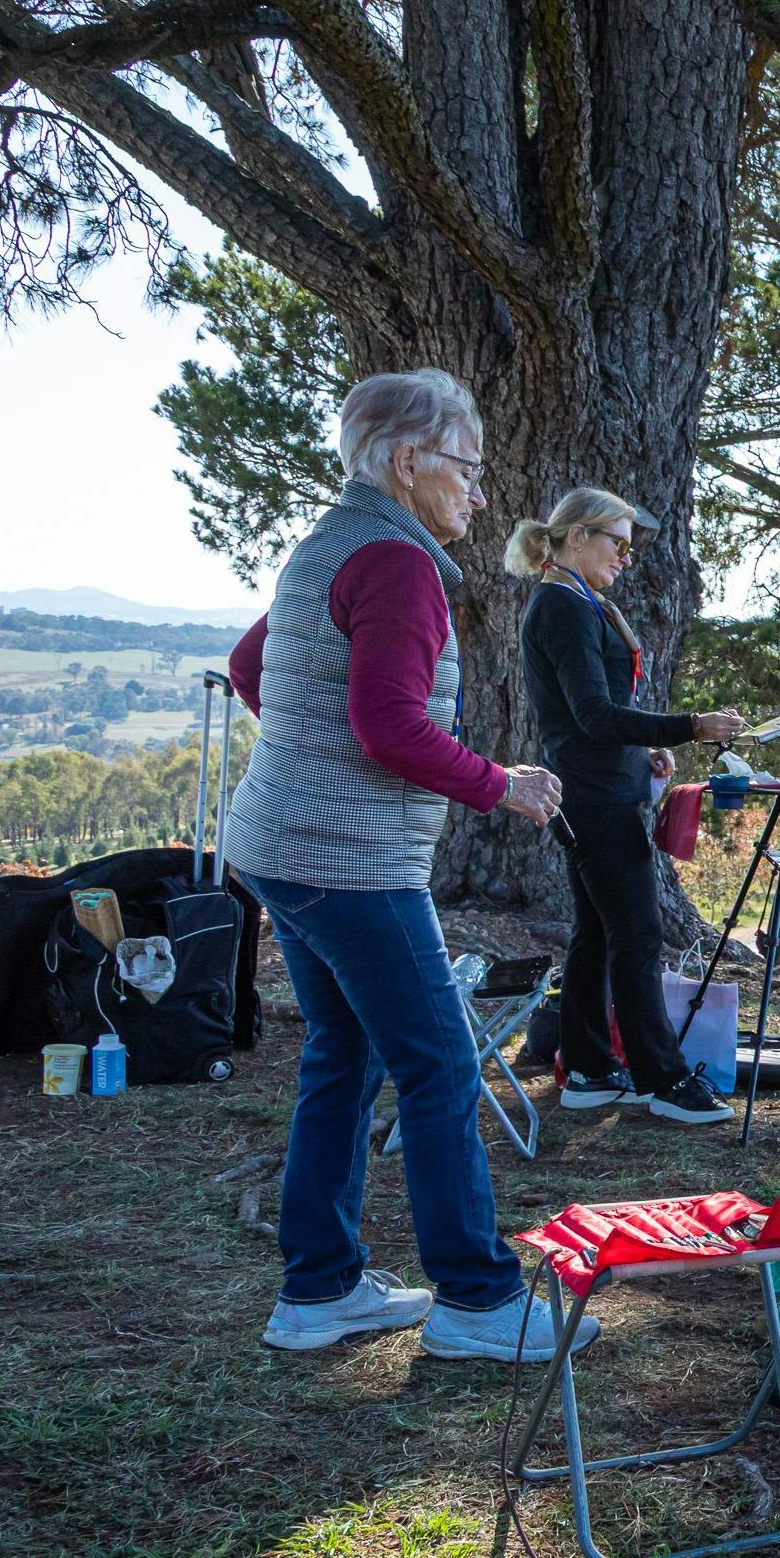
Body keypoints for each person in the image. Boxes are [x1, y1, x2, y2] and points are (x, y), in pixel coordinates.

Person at [221, 369, 593, 1363]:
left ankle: (321, 1288)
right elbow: (388, 725)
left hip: (277, 847)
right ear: (403, 459)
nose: (478, 491)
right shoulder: (397, 563)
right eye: (465, 467)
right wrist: (498, 783)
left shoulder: (327, 543)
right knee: (437, 1063)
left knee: (344, 1054)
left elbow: (256, 668)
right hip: (348, 864)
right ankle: (475, 1297)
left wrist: (309, 761)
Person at [507, 487, 746, 1122]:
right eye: (617, 541)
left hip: (597, 785)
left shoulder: (578, 600)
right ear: (577, 536)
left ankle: (587, 1067)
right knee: (639, 933)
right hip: (590, 798)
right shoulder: (562, 606)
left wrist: (641, 756)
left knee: (598, 930)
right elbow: (592, 715)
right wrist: (689, 726)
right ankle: (660, 1080)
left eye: (629, 546)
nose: (625, 555)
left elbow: (589, 719)